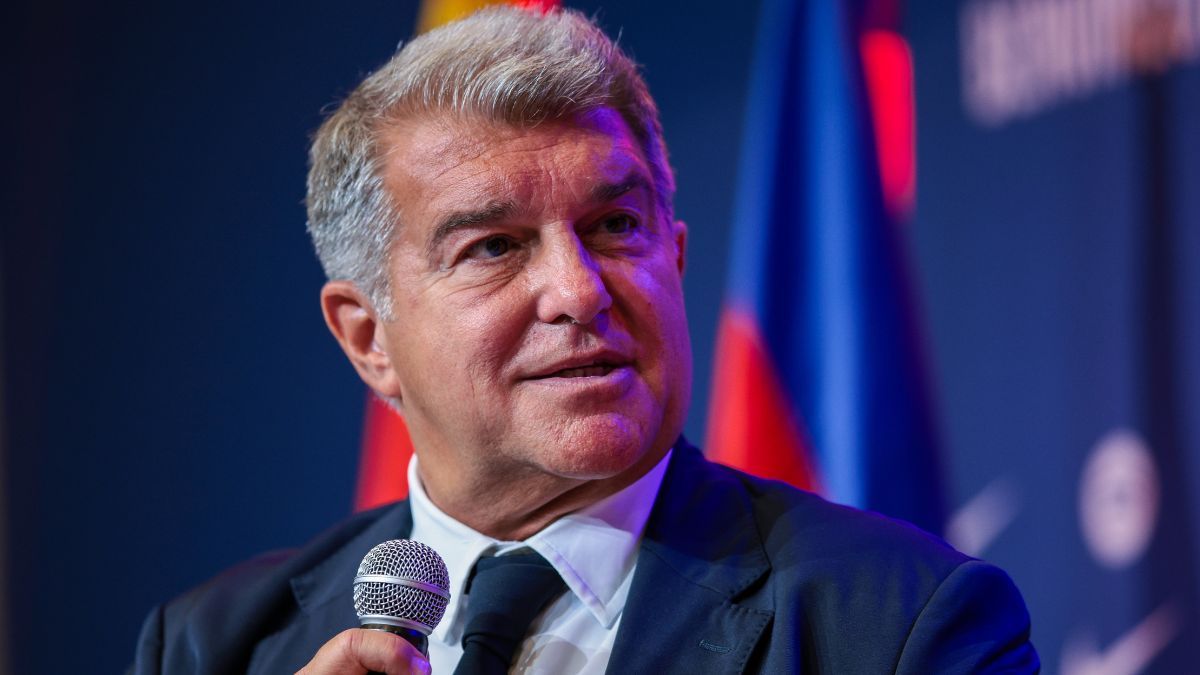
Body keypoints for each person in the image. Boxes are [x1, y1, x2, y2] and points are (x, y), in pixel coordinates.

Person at [131, 6, 1039, 674]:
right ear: (368, 337)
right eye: (494, 246)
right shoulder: (211, 646)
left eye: (614, 226)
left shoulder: (900, 627)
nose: (578, 290)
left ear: (674, 256)